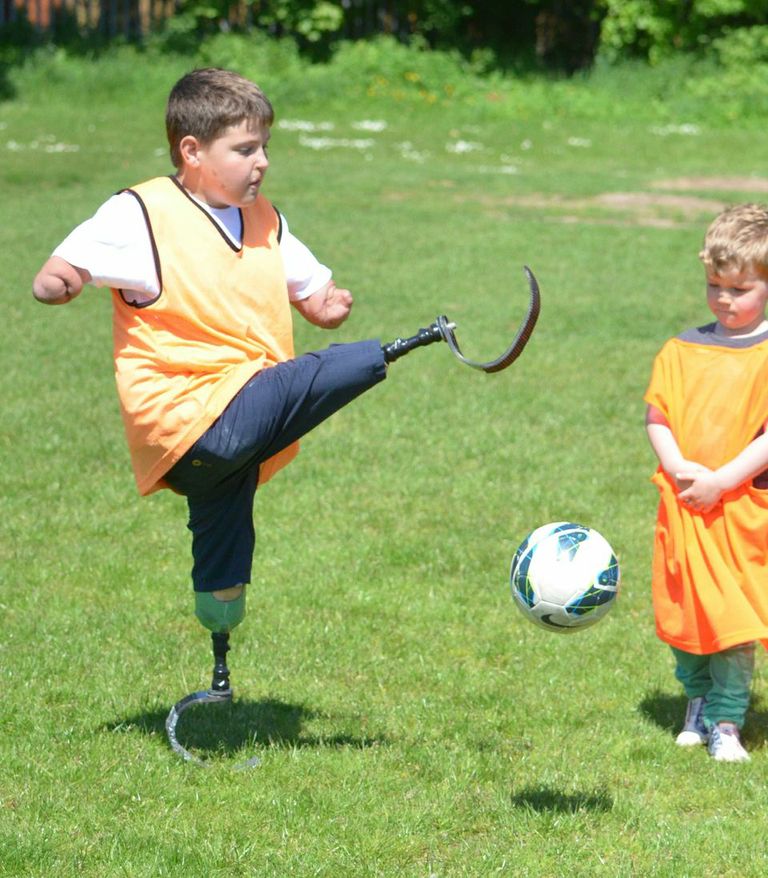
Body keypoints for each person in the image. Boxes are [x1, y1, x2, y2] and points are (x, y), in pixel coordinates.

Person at [32, 67, 441, 644]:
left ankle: (219, 636)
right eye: (245, 149)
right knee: (301, 380)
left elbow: (308, 289)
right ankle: (409, 344)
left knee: (225, 540)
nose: (263, 161)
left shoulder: (263, 220)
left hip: (225, 440)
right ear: (192, 151)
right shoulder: (139, 214)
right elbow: (63, 267)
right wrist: (62, 281)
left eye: (265, 147)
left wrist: (325, 304)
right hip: (186, 417)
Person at [644, 203, 768, 763]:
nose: (723, 299)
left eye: (739, 288)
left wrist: (721, 480)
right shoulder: (681, 349)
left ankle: (727, 721)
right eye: (714, 285)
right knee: (685, 620)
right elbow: (658, 416)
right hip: (684, 508)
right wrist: (676, 466)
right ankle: (696, 701)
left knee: (734, 624)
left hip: (739, 516)